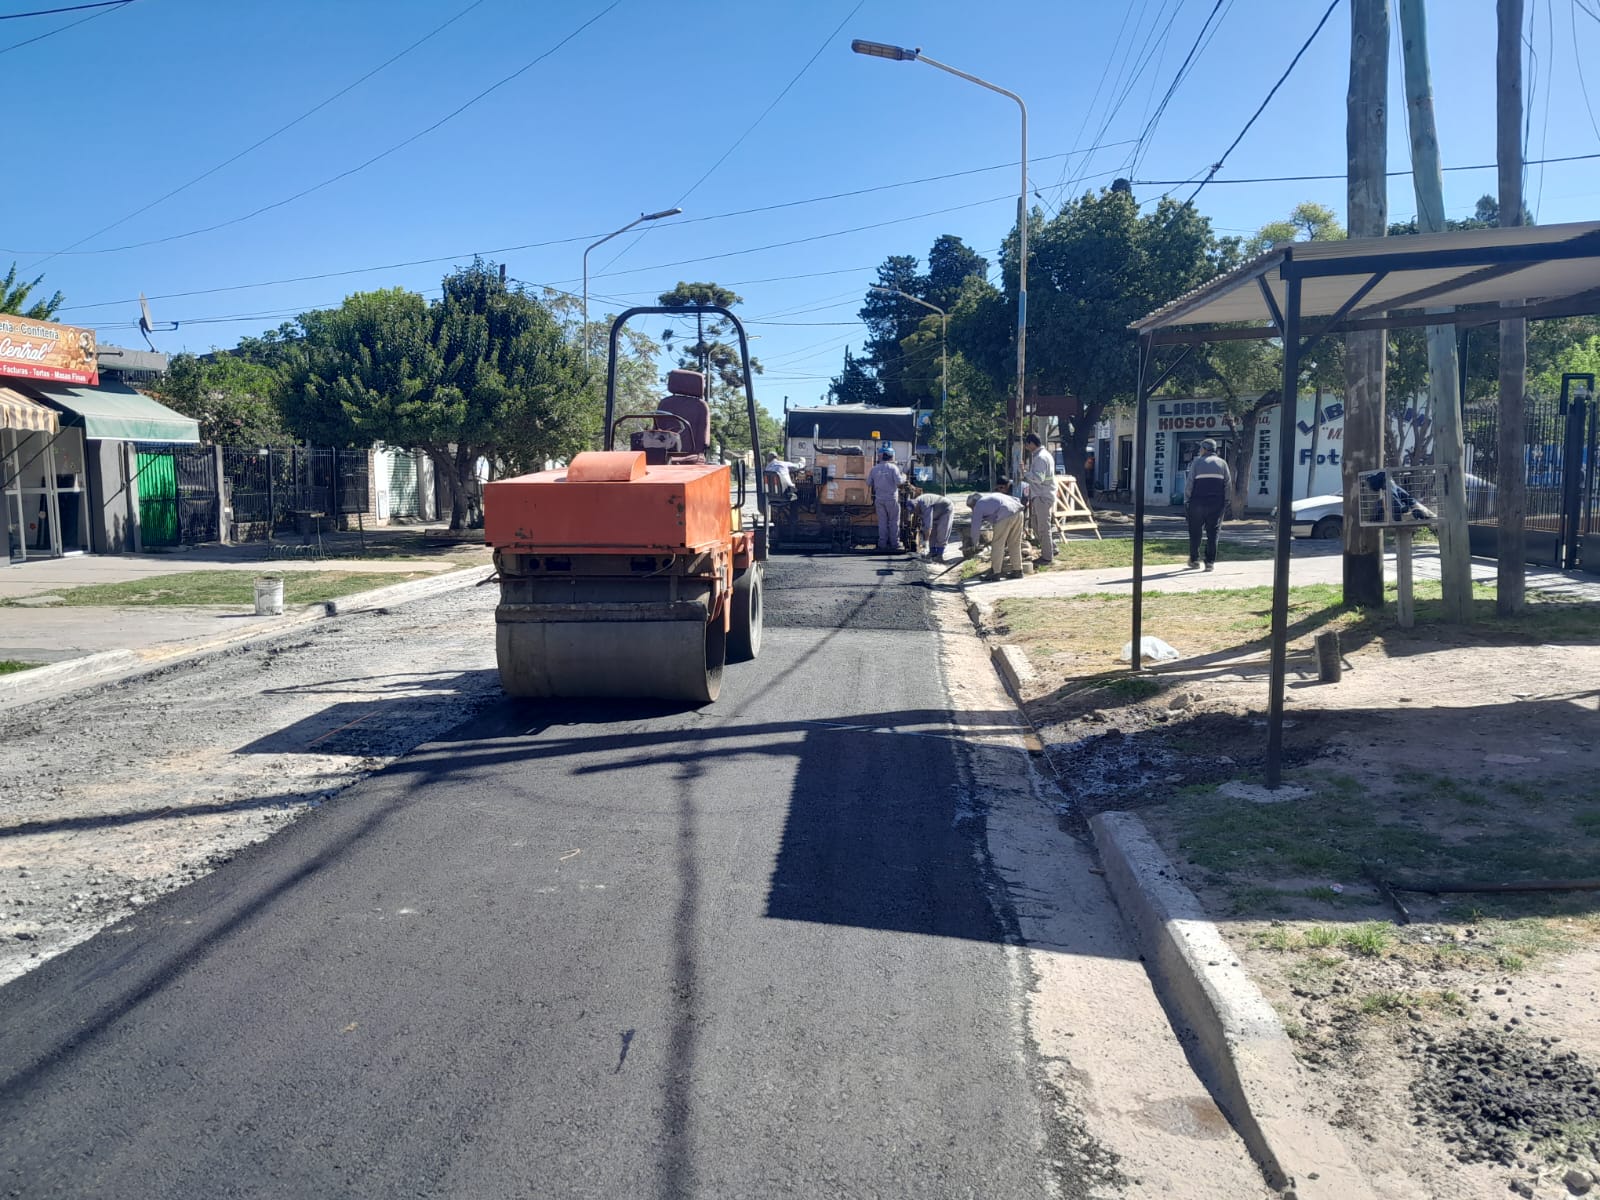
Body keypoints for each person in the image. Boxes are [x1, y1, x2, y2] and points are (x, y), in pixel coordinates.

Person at [1184, 437, 1232, 571]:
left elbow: (1190, 483)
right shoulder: (1222, 464)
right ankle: (1210, 562)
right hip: (1216, 503)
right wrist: (1226, 501)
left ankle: (1194, 560)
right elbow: (1227, 484)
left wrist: (1186, 500)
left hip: (1197, 502)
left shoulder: (1197, 463)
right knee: (1213, 532)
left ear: (1204, 449)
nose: (1200, 451)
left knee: (1195, 532)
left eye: (1201, 448)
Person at [964, 491, 1025, 579]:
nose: (972, 509)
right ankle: (1018, 571)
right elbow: (1016, 500)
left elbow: (975, 527)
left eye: (971, 507)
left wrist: (974, 543)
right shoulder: (992, 497)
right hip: (1018, 512)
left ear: (973, 504)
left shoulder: (978, 505)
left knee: (997, 544)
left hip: (1005, 515)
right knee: (1015, 543)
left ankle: (995, 572)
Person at [1021, 433, 1056, 565]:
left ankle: (1047, 557)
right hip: (1040, 495)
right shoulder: (1043, 455)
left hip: (1043, 495)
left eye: (1027, 444)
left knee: (1043, 527)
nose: (1026, 447)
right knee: (1036, 525)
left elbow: (1039, 479)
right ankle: (1052, 548)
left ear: (1031, 443)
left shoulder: (1040, 458)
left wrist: (1024, 473)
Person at [867, 447, 905, 552]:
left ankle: (882, 544)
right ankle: (895, 544)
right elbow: (899, 482)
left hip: (879, 499)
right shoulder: (893, 468)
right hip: (892, 499)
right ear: (891, 456)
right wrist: (904, 477)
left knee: (882, 522)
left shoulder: (874, 469)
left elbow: (868, 483)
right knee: (894, 521)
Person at [912, 490, 955, 560]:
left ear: (917, 506)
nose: (915, 512)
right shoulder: (916, 504)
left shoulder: (925, 505)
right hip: (935, 511)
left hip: (945, 509)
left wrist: (925, 542)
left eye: (915, 510)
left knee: (942, 531)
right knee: (932, 533)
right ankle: (932, 552)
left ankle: (939, 555)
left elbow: (928, 527)